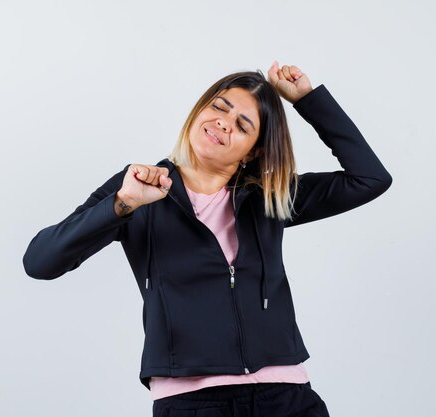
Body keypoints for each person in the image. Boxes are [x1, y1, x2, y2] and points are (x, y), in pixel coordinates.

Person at [23, 61, 393, 416]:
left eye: (242, 124)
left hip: (287, 396)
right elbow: (40, 261)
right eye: (219, 107)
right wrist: (123, 204)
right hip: (191, 402)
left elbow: (370, 179)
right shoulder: (138, 187)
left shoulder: (270, 196)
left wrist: (307, 100)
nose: (223, 122)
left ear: (255, 150)